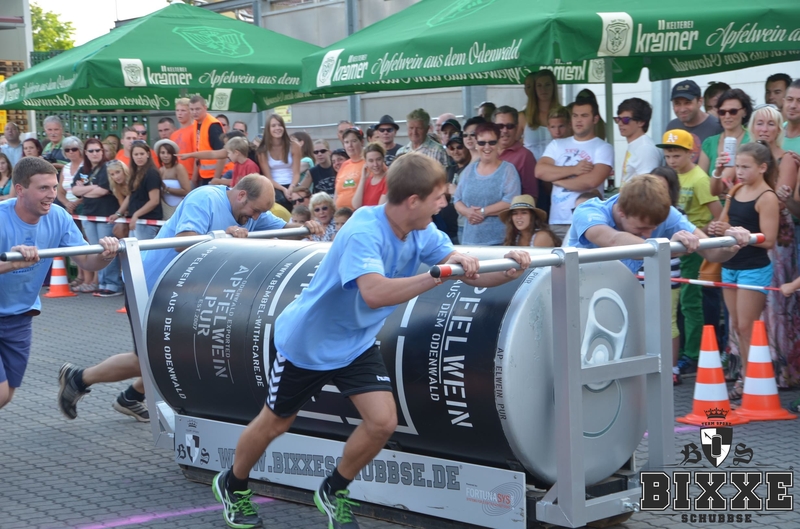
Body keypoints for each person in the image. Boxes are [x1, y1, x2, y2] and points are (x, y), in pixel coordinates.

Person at [211, 152, 531, 529]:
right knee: (275, 423)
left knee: (382, 422)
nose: (444, 204)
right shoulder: (364, 229)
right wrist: (437, 275)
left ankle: (334, 490)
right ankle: (233, 483)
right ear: (413, 200)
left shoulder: (422, 229)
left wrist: (509, 270)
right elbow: (375, 293)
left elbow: (467, 272)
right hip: (308, 344)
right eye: (439, 197)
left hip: (356, 343)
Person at [57, 175, 323, 422]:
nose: (256, 217)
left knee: (182, 353)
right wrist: (225, 237)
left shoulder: (251, 211)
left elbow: (285, 229)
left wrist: (305, 228)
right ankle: (79, 378)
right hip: (151, 284)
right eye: (255, 211)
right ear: (241, 195)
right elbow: (182, 242)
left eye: (261, 213)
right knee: (148, 358)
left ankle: (131, 396)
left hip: (185, 292)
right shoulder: (204, 198)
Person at [0, 158, 119, 410]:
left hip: (19, 317)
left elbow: (87, 262)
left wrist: (106, 254)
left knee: (7, 394)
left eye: (54, 187)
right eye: (43, 188)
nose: (51, 195)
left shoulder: (58, 217)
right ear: (20, 189)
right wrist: (11, 264)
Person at [707, 142, 780, 400]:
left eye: (745, 167)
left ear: (762, 168)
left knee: (747, 327)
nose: (739, 171)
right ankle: (746, 378)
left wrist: (735, 233)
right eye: (737, 166)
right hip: (730, 265)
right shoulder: (737, 189)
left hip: (753, 267)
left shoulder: (767, 197)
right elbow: (725, 223)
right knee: (737, 326)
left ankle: (751, 381)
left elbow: (769, 240)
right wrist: (717, 228)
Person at [565, 174, 751, 274]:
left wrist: (731, 244)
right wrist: (668, 247)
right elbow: (613, 240)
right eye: (641, 228)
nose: (648, 234)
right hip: (573, 293)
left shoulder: (669, 214)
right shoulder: (588, 211)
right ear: (621, 211)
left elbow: (712, 252)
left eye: (654, 228)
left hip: (614, 295)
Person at [658, 129, 722, 368]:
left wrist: (699, 233)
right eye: (668, 156)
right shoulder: (668, 176)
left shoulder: (699, 179)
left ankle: (693, 354)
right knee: (677, 304)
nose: (672, 161)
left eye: (677, 155)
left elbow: (718, 215)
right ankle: (683, 349)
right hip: (674, 247)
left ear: (691, 154)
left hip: (695, 248)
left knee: (690, 300)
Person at [750, 106, 800, 389]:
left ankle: (782, 368)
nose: (764, 129)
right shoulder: (745, 156)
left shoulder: (787, 158)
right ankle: (752, 367)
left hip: (778, 237)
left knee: (778, 303)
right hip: (750, 231)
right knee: (753, 302)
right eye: (760, 123)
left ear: (779, 129)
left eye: (771, 124)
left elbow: (780, 202)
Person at [536, 94, 613, 240]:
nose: (578, 120)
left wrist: (557, 179)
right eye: (575, 115)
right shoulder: (557, 144)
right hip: (557, 220)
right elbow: (540, 171)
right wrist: (574, 170)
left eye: (584, 115)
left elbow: (591, 181)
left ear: (595, 119)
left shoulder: (603, 147)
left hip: (588, 219)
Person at [649, 166, 687, 385]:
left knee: (668, 321)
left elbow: (683, 248)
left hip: (668, 273)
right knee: (642, 320)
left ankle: (672, 368)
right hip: (641, 273)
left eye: (662, 186)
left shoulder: (676, 214)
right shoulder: (641, 209)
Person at [454, 122, 521, 245]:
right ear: (476, 144)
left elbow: (511, 201)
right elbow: (457, 199)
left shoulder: (508, 169)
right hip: (469, 241)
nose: (487, 147)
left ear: (498, 142)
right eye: (482, 143)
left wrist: (483, 211)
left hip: (499, 242)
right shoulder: (469, 170)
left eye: (492, 142)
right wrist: (467, 212)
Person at [71, 138, 122, 297]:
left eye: (98, 150)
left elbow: (103, 191)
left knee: (108, 249)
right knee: (96, 249)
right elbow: (74, 191)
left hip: (105, 215)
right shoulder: (83, 169)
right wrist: (92, 188)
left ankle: (113, 284)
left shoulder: (107, 168)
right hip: (88, 214)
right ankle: (101, 282)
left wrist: (85, 190)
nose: (95, 153)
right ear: (85, 153)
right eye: (91, 151)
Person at [702, 89, 754, 196]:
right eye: (722, 112)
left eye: (733, 111)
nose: (727, 116)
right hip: (710, 202)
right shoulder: (709, 143)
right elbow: (700, 182)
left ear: (744, 112)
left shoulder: (752, 140)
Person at [666, 80, 723, 164]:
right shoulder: (672, 126)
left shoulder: (717, 126)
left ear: (700, 101)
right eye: (677, 104)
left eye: (687, 103)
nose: (682, 109)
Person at [256, 114, 301, 209]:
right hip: (274, 185)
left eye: (280, 125)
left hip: (293, 183)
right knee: (280, 201)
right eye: (273, 126)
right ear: (268, 129)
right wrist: (284, 189)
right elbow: (268, 178)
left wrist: (292, 187)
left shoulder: (294, 146)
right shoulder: (262, 150)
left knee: (299, 199)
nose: (277, 128)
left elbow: (296, 173)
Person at [119, 141, 163, 240]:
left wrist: (136, 214)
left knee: (144, 249)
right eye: (136, 154)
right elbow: (131, 195)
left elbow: (154, 200)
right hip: (137, 220)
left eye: (142, 154)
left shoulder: (151, 173)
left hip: (147, 221)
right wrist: (118, 213)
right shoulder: (135, 172)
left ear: (148, 154)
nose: (139, 157)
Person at [494, 105, 538, 198]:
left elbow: (530, 196)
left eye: (509, 126)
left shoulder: (525, 156)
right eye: (500, 126)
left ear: (516, 128)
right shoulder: (487, 151)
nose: (505, 130)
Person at [616, 98, 661, 185]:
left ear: (641, 122)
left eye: (625, 120)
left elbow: (647, 186)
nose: (620, 123)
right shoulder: (637, 144)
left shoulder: (645, 148)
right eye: (618, 119)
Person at [521, 69, 560, 161]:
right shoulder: (523, 116)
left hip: (557, 167)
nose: (543, 89)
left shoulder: (564, 114)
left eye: (547, 85)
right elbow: (510, 144)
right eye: (539, 85)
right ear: (534, 88)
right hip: (530, 168)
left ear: (554, 87)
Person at [190, 95, 226, 186]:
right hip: (206, 175)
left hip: (220, 175)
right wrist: (195, 176)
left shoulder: (213, 126)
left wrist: (216, 179)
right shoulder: (196, 123)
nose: (194, 112)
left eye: (197, 109)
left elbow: (222, 154)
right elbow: (198, 150)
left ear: (205, 108)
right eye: (192, 109)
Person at [444, 133, 472, 244]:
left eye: (459, 147)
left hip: (465, 226)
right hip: (447, 228)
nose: (455, 151)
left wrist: (457, 191)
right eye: (452, 148)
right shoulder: (449, 170)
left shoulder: (473, 169)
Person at [154, 139, 192, 219]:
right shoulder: (160, 170)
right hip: (164, 208)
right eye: (162, 153)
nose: (165, 156)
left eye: (168, 153)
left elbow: (186, 191)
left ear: (173, 155)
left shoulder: (179, 168)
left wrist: (167, 189)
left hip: (178, 207)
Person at [334, 128, 365, 209]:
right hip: (341, 214)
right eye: (346, 142)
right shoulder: (344, 165)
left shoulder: (370, 163)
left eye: (354, 141)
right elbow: (337, 193)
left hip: (359, 212)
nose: (350, 145)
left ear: (362, 142)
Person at [352, 143, 388, 208]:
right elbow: (356, 205)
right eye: (371, 161)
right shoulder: (367, 180)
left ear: (383, 159)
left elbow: (380, 209)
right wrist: (363, 179)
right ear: (366, 162)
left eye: (378, 159)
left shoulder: (388, 179)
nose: (375, 164)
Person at [170, 97, 196, 177]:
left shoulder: (195, 130)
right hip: (176, 176)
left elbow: (197, 156)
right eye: (177, 110)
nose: (179, 113)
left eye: (183, 110)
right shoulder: (173, 135)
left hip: (190, 175)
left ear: (190, 112)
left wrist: (195, 178)